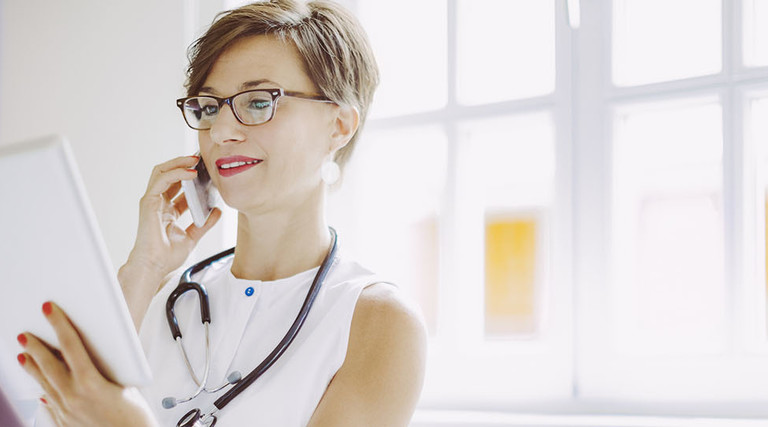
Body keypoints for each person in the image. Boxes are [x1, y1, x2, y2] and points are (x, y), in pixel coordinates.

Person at [15, 0, 427, 425]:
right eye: (209, 107)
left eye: (257, 101)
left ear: (339, 125)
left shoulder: (378, 322)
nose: (222, 131)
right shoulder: (161, 299)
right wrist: (145, 268)